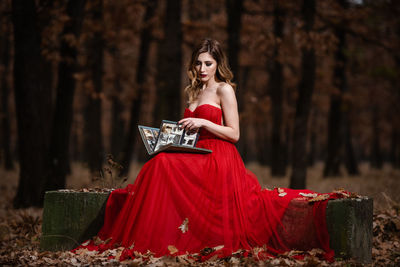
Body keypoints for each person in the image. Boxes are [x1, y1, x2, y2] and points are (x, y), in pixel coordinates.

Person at [75, 39, 342, 262]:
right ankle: (157, 238)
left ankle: (157, 239)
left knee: (162, 165)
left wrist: (203, 121)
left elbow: (234, 134)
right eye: (198, 63)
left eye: (208, 63)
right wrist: (171, 137)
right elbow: (191, 131)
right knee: (159, 161)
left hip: (219, 156)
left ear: (218, 65)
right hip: (195, 153)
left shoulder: (224, 90)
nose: (202, 68)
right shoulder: (193, 92)